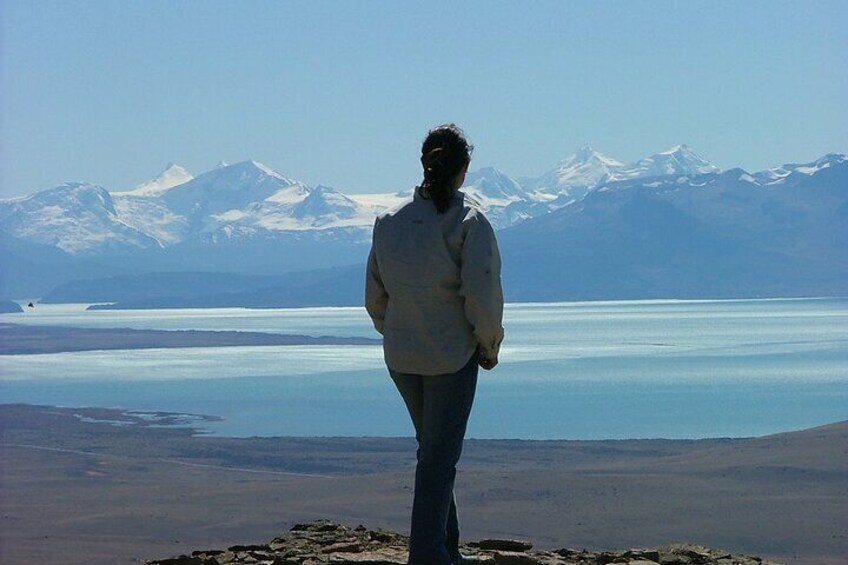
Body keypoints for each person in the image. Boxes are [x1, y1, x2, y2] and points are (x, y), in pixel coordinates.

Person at [365, 123, 504, 565]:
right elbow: (482, 295)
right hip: (450, 357)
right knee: (439, 458)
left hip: (403, 356)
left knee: (433, 450)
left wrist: (395, 331)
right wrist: (488, 345)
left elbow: (375, 295)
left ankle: (446, 546)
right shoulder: (469, 222)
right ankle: (428, 555)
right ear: (463, 170)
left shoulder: (389, 221)